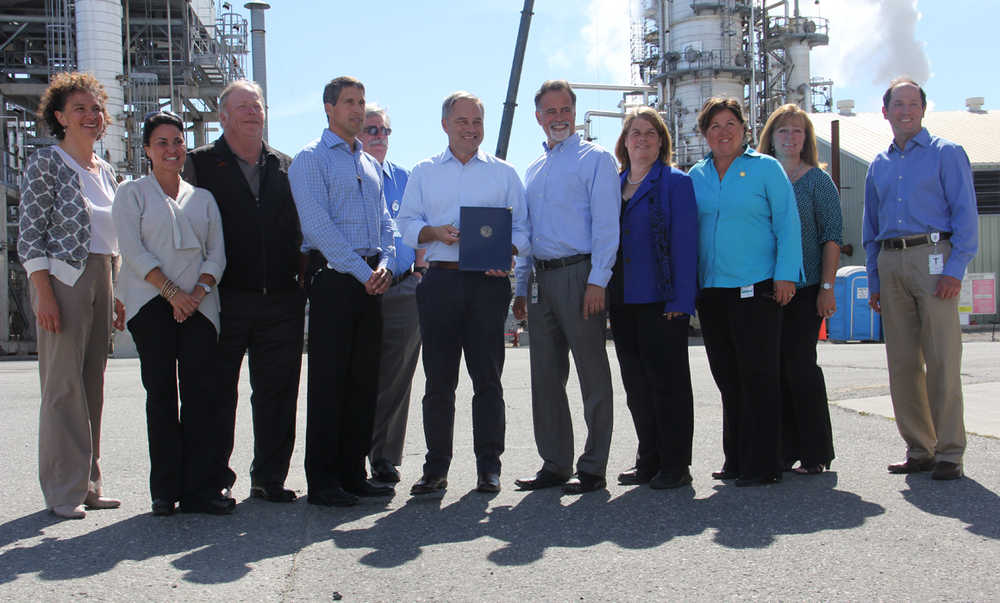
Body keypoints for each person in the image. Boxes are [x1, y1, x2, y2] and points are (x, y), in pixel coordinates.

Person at [397, 91, 530, 496]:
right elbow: (404, 224)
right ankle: (436, 468)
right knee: (439, 381)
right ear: (445, 125)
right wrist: (433, 233)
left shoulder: (505, 174)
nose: (470, 129)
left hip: (487, 284)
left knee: (487, 379)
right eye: (462, 122)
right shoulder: (423, 171)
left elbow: (523, 231)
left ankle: (489, 467)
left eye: (477, 122)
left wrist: (503, 251)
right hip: (439, 281)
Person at [183, 80, 305, 503]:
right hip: (223, 298)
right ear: (223, 116)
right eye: (243, 107)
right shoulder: (198, 165)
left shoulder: (286, 166)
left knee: (278, 394)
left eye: (258, 106)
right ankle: (215, 478)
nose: (253, 113)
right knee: (218, 393)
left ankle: (269, 478)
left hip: (282, 300)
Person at [18, 72, 125, 520]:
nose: (89, 115)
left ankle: (88, 484)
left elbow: (112, 238)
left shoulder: (107, 172)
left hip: (103, 276)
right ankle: (62, 491)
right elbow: (29, 234)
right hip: (63, 280)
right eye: (79, 108)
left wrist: (116, 292)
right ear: (59, 117)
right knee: (63, 387)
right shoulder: (48, 163)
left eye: (95, 108)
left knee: (92, 385)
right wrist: (43, 292)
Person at [114, 110, 232, 515]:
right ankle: (165, 491)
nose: (171, 149)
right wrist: (171, 292)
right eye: (161, 142)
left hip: (199, 306)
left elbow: (216, 254)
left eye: (177, 142)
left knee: (202, 397)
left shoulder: (204, 199)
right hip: (152, 306)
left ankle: (202, 490)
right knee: (162, 396)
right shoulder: (131, 194)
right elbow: (133, 250)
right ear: (147, 149)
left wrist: (195, 293)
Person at [863, 77, 979, 481]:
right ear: (886, 112)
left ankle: (949, 451)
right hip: (892, 263)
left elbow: (966, 218)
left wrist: (954, 269)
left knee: (942, 359)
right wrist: (874, 280)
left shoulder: (947, 154)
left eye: (913, 103)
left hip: (934, 258)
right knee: (902, 362)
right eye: (898, 104)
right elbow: (869, 228)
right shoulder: (879, 164)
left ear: (923, 110)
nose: (906, 110)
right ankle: (919, 447)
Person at [289, 76, 397, 507]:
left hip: (371, 279)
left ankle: (354, 473)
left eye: (362, 102)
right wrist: (360, 271)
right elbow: (317, 227)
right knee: (330, 381)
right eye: (349, 102)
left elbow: (386, 224)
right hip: (335, 279)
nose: (357, 110)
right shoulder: (310, 160)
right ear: (328, 108)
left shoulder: (369, 164)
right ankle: (324, 480)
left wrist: (386, 264)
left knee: (363, 380)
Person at [688, 97, 803, 487]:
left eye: (730, 123)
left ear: (744, 129)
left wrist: (786, 275)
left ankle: (764, 463)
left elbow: (788, 224)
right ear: (704, 133)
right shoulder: (696, 175)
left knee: (759, 376)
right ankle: (735, 458)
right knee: (727, 378)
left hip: (756, 287)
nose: (723, 132)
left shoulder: (766, 169)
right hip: (712, 290)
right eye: (714, 125)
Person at [511, 80, 618, 495]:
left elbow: (608, 226)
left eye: (565, 110)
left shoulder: (596, 159)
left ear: (575, 113)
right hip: (540, 278)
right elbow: (527, 233)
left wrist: (598, 280)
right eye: (549, 112)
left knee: (592, 373)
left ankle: (592, 467)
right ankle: (555, 463)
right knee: (545, 376)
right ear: (538, 117)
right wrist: (520, 288)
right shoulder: (533, 170)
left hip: (580, 275)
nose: (558, 117)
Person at [608, 107, 698, 489]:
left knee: (669, 385)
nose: (642, 139)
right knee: (637, 385)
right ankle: (649, 459)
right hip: (623, 298)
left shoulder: (675, 183)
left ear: (661, 141)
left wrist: (681, 302)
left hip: (661, 300)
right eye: (635, 133)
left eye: (650, 133)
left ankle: (676, 465)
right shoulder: (612, 185)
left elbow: (686, 244)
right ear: (624, 141)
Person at [758, 104, 843, 475]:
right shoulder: (759, 178)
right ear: (770, 138)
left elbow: (832, 238)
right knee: (771, 371)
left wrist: (827, 287)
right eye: (783, 131)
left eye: (797, 131)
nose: (790, 138)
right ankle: (780, 450)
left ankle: (814, 451)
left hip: (806, 289)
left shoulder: (817, 181)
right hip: (764, 290)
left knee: (800, 367)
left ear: (806, 139)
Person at [359, 103, 425, 485]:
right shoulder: (347, 176)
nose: (378, 137)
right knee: (361, 375)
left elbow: (421, 226)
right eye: (371, 130)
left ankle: (384, 456)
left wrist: (419, 270)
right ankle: (353, 452)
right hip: (360, 288)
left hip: (402, 289)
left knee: (397, 377)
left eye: (383, 130)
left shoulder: (405, 178)